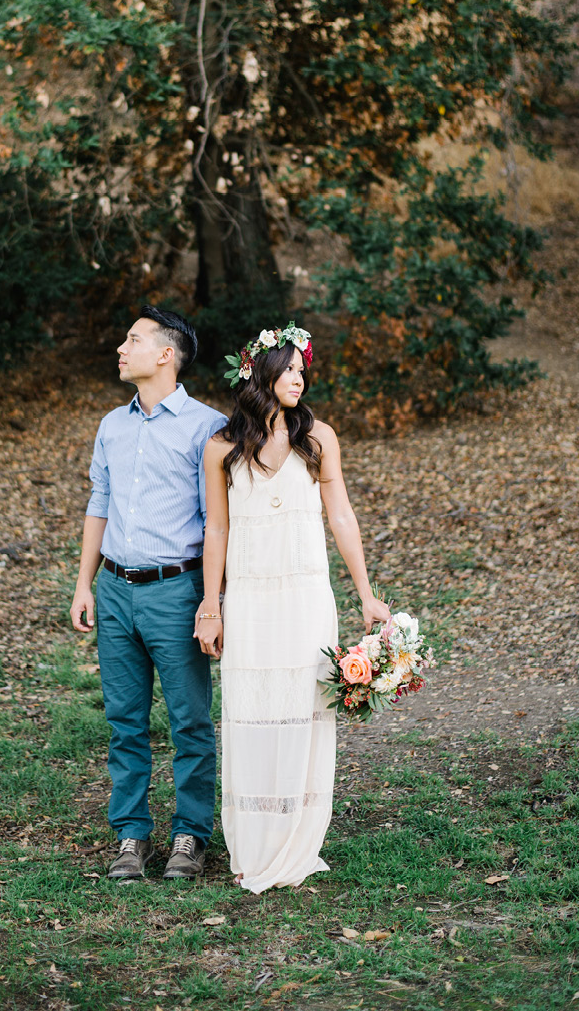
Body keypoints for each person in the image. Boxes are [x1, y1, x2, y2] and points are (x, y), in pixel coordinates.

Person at [194, 322, 390, 893]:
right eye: (290, 370)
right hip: (252, 598)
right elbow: (216, 531)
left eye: (304, 371)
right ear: (260, 374)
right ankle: (255, 840)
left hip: (306, 596)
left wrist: (367, 593)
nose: (299, 379)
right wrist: (212, 604)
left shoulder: (320, 438)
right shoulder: (222, 448)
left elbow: (342, 517)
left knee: (304, 710)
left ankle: (299, 837)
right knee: (252, 710)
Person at [70, 306, 227, 881]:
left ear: (166, 354)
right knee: (125, 721)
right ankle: (131, 836)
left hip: (176, 592)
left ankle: (190, 835)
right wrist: (85, 584)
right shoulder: (112, 425)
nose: (120, 347)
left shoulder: (208, 427)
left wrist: (212, 602)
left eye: (131, 339)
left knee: (189, 721)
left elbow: (218, 524)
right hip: (114, 590)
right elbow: (99, 504)